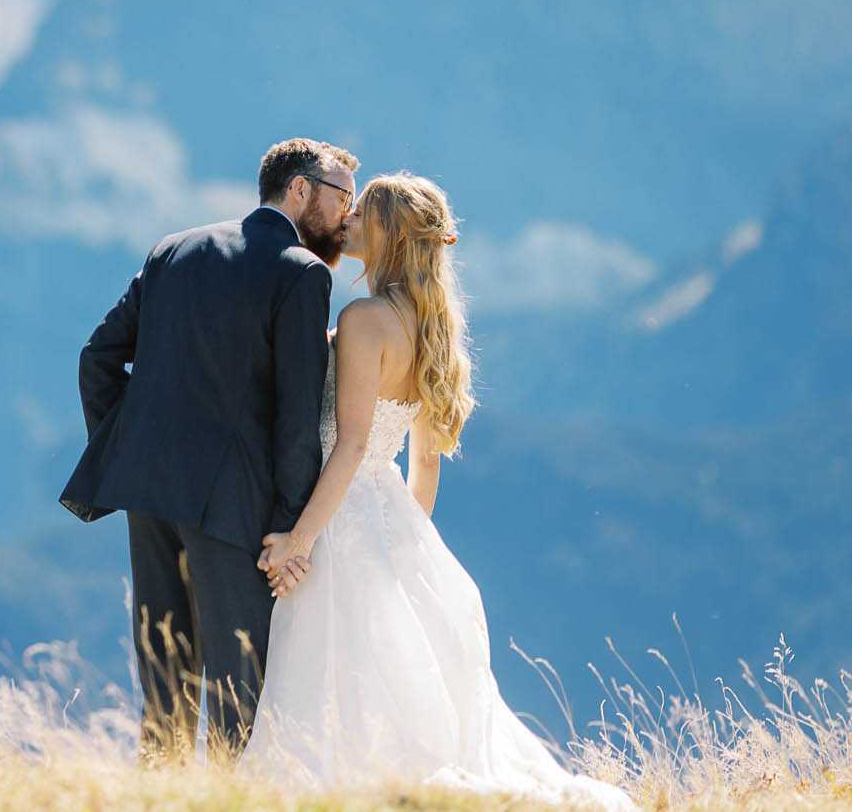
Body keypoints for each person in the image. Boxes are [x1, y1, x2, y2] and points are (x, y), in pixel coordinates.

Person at [240, 171, 635, 807]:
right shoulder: (432, 329)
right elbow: (425, 465)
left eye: (362, 213)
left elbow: (349, 445)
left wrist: (299, 541)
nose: (348, 221)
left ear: (390, 233)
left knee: (329, 677)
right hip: (389, 514)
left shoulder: (364, 319)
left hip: (337, 512)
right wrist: (403, 544)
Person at [58, 137, 358, 757]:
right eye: (341, 197)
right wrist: (288, 531)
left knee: (164, 681)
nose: (346, 215)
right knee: (236, 688)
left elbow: (98, 358)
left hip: (151, 499)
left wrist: (130, 451)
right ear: (299, 190)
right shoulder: (300, 272)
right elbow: (297, 418)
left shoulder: (174, 249)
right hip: (235, 512)